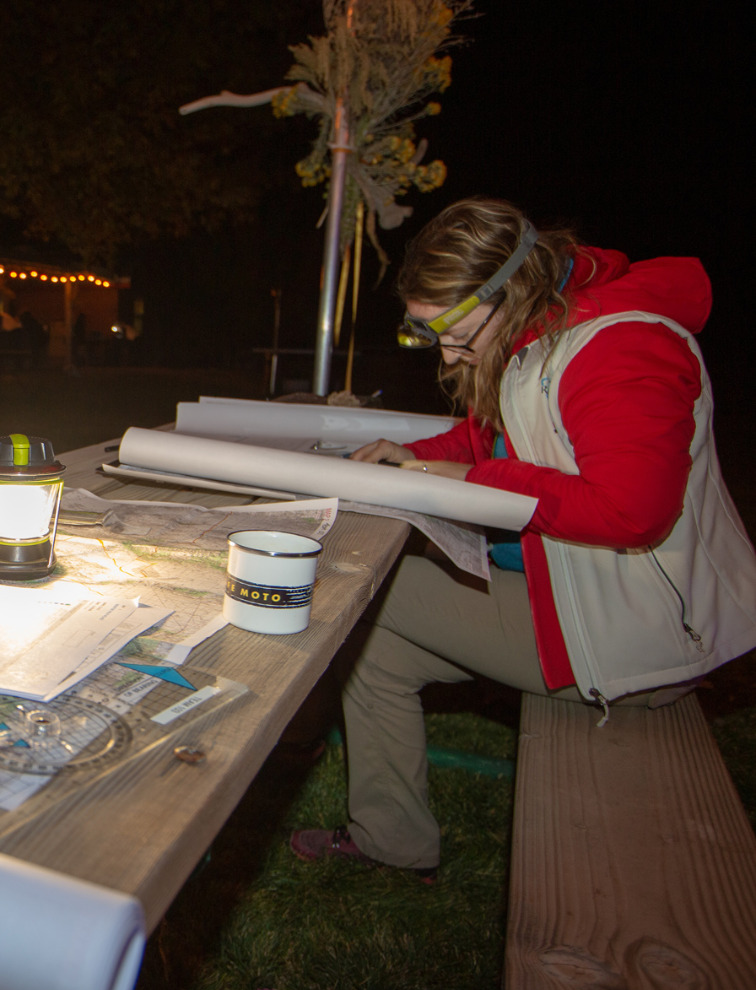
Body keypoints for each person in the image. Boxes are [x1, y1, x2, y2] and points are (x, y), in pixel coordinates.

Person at [291, 196, 756, 881]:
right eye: (427, 335)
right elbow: (493, 435)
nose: (447, 355)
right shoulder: (551, 330)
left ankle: (380, 825)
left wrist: (473, 474)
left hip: (637, 641)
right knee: (373, 625)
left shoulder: (622, 346)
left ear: (508, 289)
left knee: (360, 590)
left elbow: (634, 512)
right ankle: (393, 839)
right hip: (592, 609)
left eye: (455, 333)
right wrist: (412, 451)